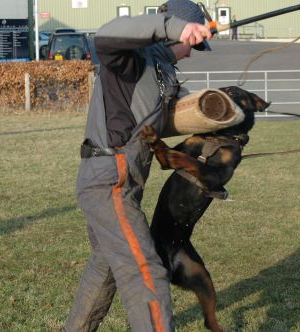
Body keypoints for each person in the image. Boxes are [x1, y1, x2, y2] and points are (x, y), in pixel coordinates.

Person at [65, 0, 213, 331]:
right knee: (145, 270)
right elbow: (105, 36)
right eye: (192, 43)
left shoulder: (163, 74)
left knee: (106, 263)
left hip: (122, 183)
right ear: (171, 32)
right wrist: (173, 26)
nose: (191, 52)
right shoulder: (129, 61)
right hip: (108, 182)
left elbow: (173, 119)